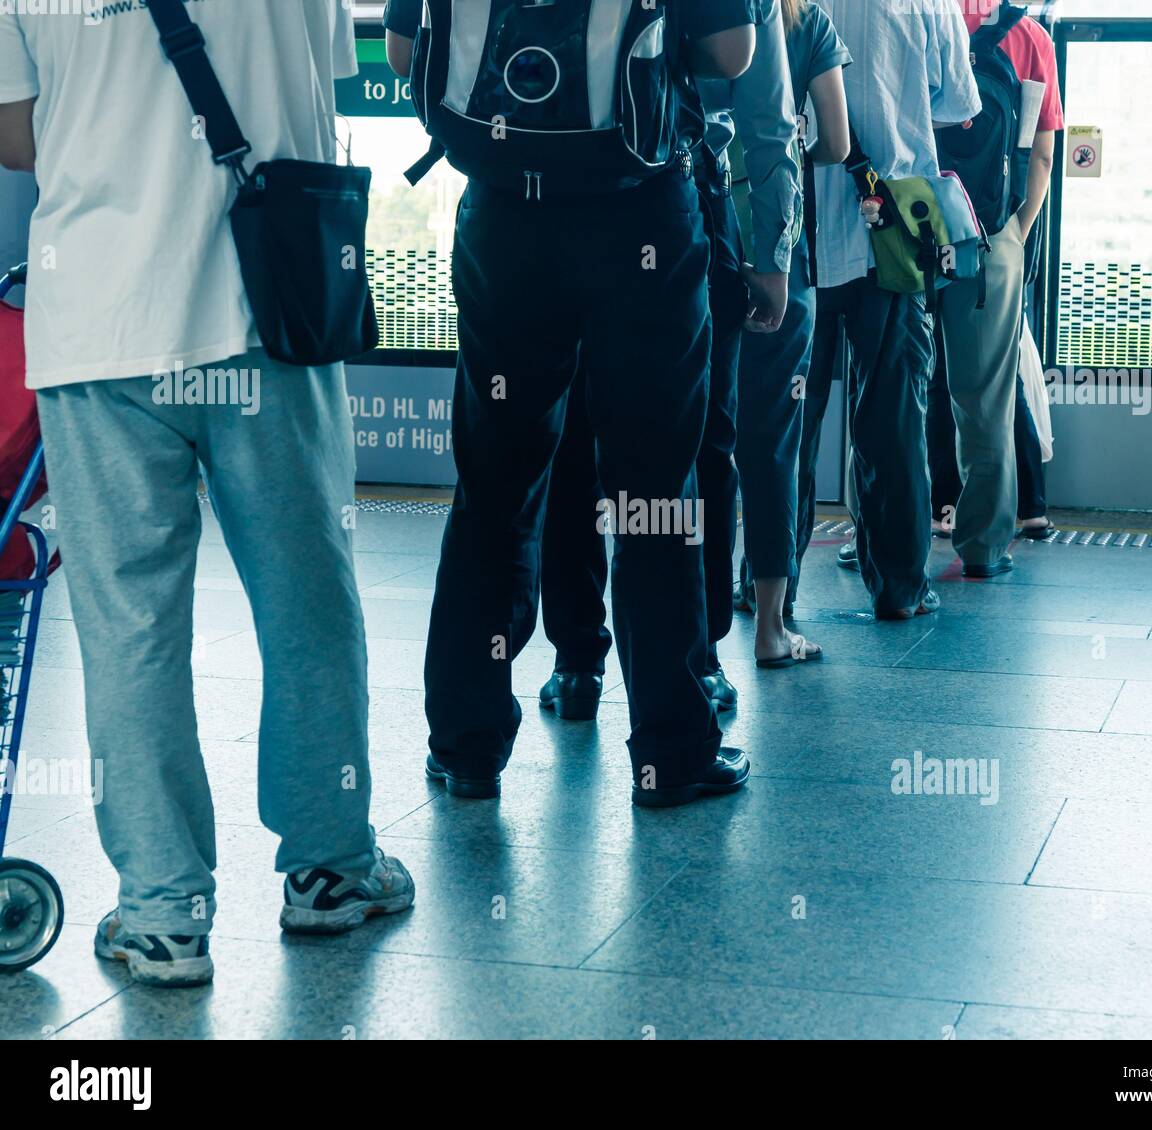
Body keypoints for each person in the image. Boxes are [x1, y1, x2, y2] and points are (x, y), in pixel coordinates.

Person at [0, 0, 414, 989]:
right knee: (308, 603)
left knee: (129, 630)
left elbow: (16, 133)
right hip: (265, 309)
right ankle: (330, 865)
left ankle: (163, 913)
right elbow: (326, 67)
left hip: (100, 324)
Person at [385, 0, 760, 808]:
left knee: (494, 480)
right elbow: (731, 52)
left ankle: (466, 744)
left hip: (502, 214)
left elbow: (400, 51)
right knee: (656, 491)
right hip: (639, 213)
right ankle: (672, 752)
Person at [533, 0, 802, 717]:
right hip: (681, 204)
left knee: (576, 442)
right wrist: (772, 255)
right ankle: (698, 661)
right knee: (700, 447)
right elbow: (769, 118)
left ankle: (578, 659)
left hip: (546, 203)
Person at [791, 0, 981, 619]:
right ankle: (899, 587)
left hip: (798, 234)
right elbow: (958, 104)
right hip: (894, 236)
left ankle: (768, 584)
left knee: (790, 420)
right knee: (896, 421)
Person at [926, 0, 1065, 570]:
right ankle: (983, 547)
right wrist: (1013, 233)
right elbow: (1042, 155)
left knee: (890, 388)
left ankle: (887, 540)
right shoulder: (1031, 37)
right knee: (986, 396)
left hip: (907, 227)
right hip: (990, 236)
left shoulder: (917, 21)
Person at [733, 0, 850, 666]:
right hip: (781, 258)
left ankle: (688, 633)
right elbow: (835, 141)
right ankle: (771, 627)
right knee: (773, 443)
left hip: (693, 241)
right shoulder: (809, 25)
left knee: (690, 446)